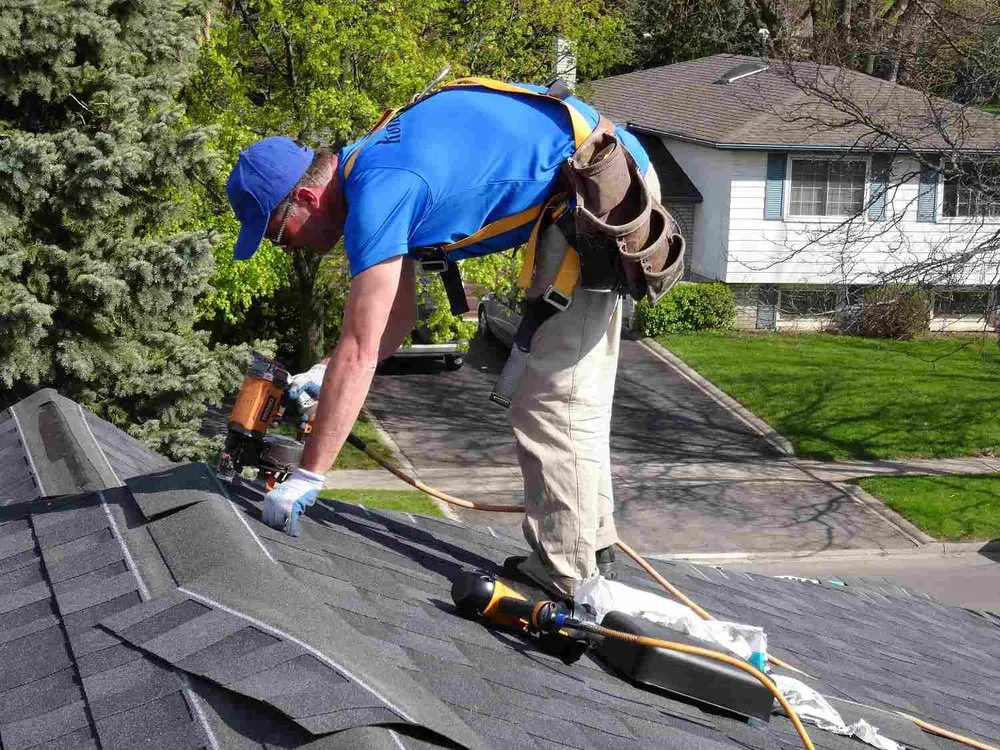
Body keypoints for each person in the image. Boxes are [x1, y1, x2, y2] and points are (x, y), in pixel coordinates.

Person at [226, 80, 665, 599]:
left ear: (304, 197)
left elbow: (361, 347)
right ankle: (593, 543)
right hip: (595, 173)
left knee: (552, 401)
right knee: (568, 396)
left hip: (599, 190)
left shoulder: (381, 187)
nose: (286, 248)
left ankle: (569, 577)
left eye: (279, 233)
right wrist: (323, 374)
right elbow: (400, 313)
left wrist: (308, 476)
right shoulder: (368, 163)